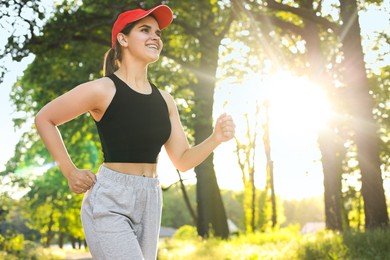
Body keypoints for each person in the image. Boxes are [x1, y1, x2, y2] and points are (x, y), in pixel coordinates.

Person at [35, 4, 235, 260]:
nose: (155, 37)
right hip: (110, 200)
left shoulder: (165, 100)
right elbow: (45, 118)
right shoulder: (103, 89)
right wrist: (70, 171)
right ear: (123, 39)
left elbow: (183, 160)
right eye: (145, 30)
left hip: (150, 198)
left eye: (158, 33)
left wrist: (216, 138)